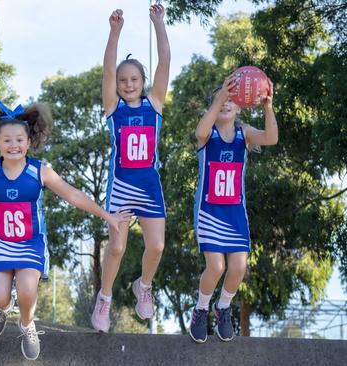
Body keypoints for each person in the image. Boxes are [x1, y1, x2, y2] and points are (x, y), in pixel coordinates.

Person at [0, 101, 129, 360]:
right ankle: (3, 308)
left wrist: (107, 216)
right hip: (0, 242)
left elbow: (73, 195)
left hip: (31, 242)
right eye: (7, 140)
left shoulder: (38, 171)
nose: (14, 145)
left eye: (19, 139)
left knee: (28, 289)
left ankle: (27, 325)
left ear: (29, 141)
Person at [92, 4, 171, 332]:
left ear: (143, 81)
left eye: (134, 78)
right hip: (122, 188)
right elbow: (108, 71)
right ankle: (105, 298)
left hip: (150, 188)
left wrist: (158, 24)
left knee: (156, 245)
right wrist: (115, 32)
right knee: (118, 246)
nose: (127, 83)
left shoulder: (154, 105)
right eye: (124, 79)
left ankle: (145, 286)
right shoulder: (114, 109)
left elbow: (164, 61)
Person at [189, 74, 277, 343]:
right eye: (221, 99)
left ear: (240, 106)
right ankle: (201, 309)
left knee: (238, 267)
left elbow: (271, 138)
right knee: (214, 267)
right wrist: (219, 98)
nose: (226, 103)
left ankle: (223, 307)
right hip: (209, 211)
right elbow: (199, 132)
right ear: (213, 106)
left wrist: (267, 106)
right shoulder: (208, 135)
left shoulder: (244, 134)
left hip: (235, 213)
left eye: (231, 99)